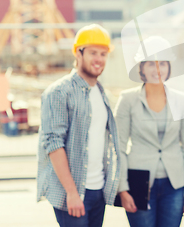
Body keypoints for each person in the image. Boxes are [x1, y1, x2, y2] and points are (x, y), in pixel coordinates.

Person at [37, 24, 121, 227]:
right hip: (73, 193)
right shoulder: (59, 92)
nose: (99, 59)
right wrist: (72, 193)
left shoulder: (102, 94)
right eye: (93, 53)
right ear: (78, 53)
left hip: (97, 190)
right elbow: (53, 143)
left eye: (103, 53)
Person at [114, 36, 184, 227]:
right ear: (141, 68)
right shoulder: (127, 100)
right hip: (138, 182)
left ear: (169, 67)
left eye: (162, 63)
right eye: (151, 63)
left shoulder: (180, 100)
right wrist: (122, 188)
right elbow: (118, 146)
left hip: (174, 185)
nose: (157, 69)